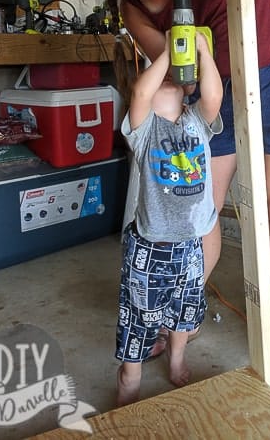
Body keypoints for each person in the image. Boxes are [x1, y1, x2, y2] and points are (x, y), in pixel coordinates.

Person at [59, 0, 270, 393]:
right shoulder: (134, 8)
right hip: (211, 94)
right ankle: (180, 314)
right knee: (199, 217)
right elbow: (182, 74)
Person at [116, 30, 223, 406]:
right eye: (158, 76)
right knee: (137, 316)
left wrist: (202, 50)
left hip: (190, 248)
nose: (164, 79)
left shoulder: (196, 124)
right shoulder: (144, 131)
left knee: (184, 310)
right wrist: (165, 52)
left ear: (185, 90)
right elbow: (141, 95)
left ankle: (177, 358)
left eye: (173, 79)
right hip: (149, 248)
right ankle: (131, 372)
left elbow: (214, 96)